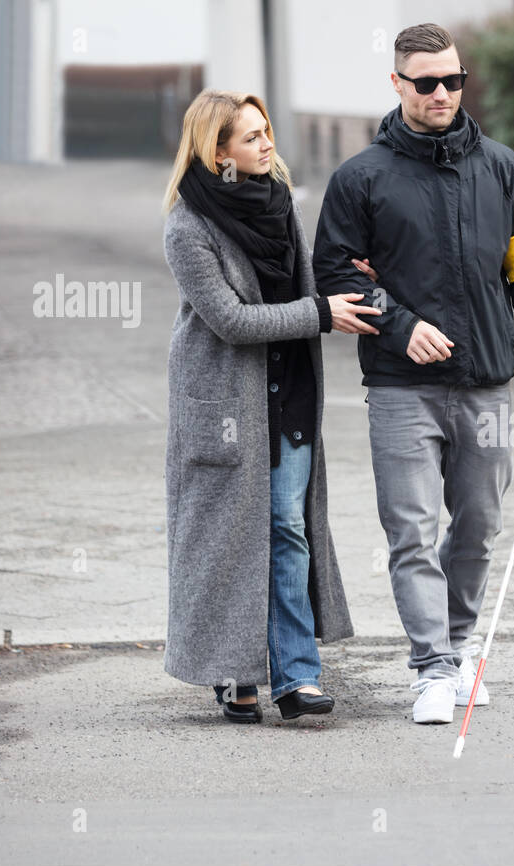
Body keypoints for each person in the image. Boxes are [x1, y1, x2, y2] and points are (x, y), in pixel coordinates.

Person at [313, 23, 514, 725]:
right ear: (397, 84)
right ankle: (430, 670)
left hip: (488, 381)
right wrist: (401, 326)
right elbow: (334, 271)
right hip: (401, 390)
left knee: (478, 527)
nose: (440, 94)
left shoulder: (500, 168)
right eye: (425, 82)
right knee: (410, 531)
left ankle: (461, 652)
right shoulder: (359, 178)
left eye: (452, 80)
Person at [161, 89, 382, 723]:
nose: (267, 145)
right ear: (217, 151)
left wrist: (355, 284)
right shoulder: (187, 226)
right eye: (252, 137)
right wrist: (319, 315)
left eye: (266, 132)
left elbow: (311, 282)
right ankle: (233, 671)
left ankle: (296, 675)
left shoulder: (280, 202)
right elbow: (230, 320)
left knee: (288, 531)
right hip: (226, 406)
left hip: (288, 399)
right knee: (229, 542)